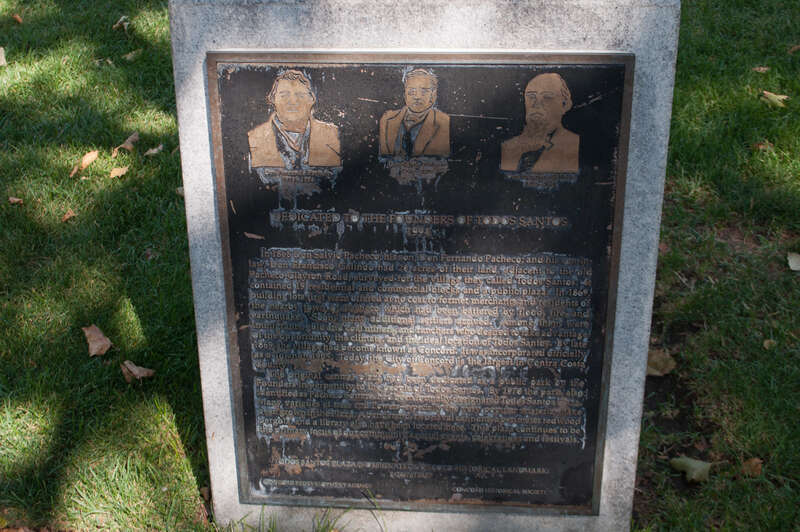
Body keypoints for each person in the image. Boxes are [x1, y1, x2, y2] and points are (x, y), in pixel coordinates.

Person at [248, 70, 341, 169]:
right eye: (284, 95)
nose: (292, 101)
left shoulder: (333, 135)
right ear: (272, 99)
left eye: (300, 95)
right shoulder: (254, 137)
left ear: (311, 100)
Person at [500, 73, 579, 173]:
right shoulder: (508, 147)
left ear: (565, 105)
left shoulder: (575, 145)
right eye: (531, 96)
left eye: (547, 97)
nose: (536, 104)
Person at [379, 69, 450, 158]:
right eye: (412, 91)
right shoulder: (387, 119)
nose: (417, 96)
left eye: (424, 91)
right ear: (405, 94)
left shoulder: (444, 122)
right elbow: (382, 160)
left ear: (433, 95)